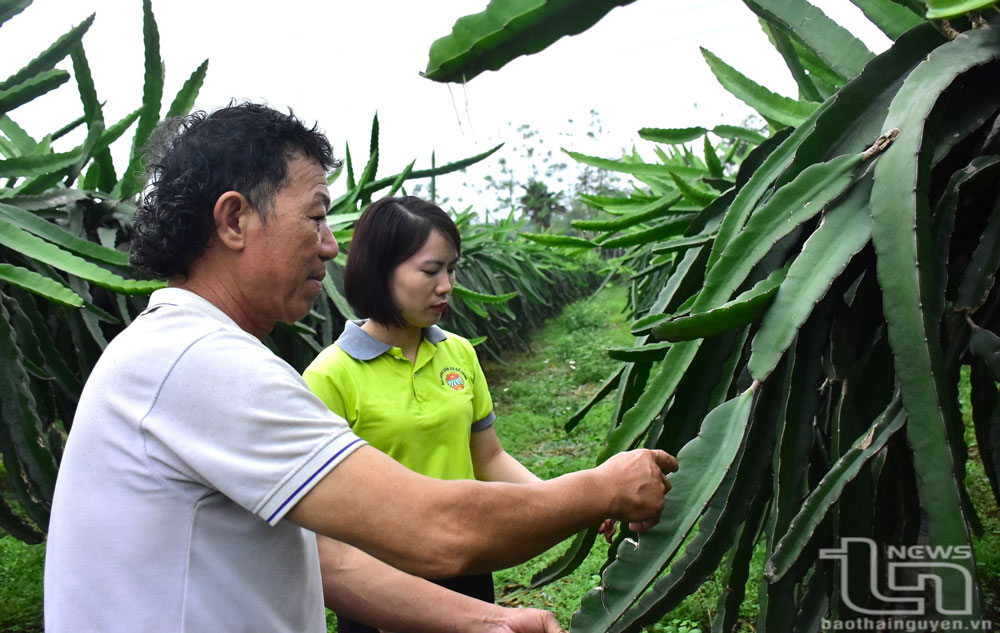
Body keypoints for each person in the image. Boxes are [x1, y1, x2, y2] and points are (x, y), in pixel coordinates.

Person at [42, 102, 678, 633]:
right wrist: (602, 487)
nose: (330, 242)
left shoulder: (185, 354)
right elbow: (438, 529)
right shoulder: (197, 362)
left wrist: (487, 622)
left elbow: (331, 564)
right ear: (235, 220)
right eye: (316, 216)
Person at [303, 196, 616, 632]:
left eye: (451, 269)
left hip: (466, 564)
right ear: (379, 269)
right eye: (431, 271)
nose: (447, 285)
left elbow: (488, 458)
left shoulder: (459, 354)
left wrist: (569, 501)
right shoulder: (330, 376)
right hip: (381, 589)